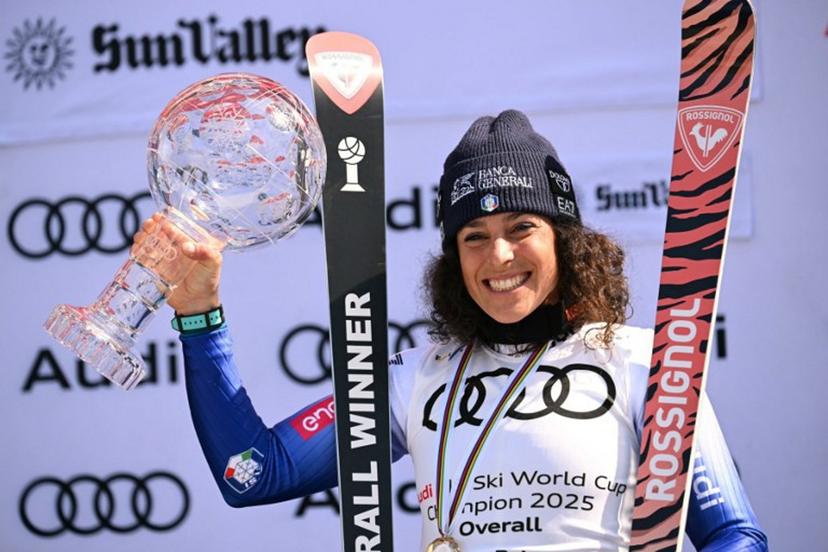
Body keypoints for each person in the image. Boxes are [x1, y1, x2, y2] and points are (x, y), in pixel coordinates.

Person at [139, 110, 768, 551]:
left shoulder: (646, 365)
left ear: (567, 242)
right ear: (452, 259)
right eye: (474, 238)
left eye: (523, 228)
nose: (498, 258)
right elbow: (251, 472)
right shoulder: (416, 376)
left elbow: (734, 534)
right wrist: (200, 317)